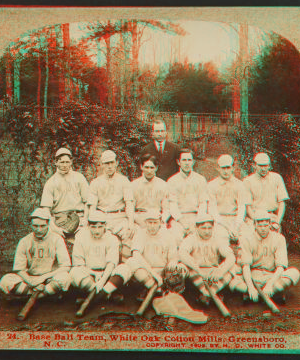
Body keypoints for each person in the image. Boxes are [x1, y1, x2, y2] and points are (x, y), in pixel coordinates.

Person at [92, 209, 184, 302]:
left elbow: (173, 258)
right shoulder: (140, 233)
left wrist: (167, 272)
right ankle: (156, 290)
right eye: (150, 222)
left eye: (155, 223)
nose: (152, 226)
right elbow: (136, 255)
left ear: (160, 222)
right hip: (147, 271)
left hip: (163, 272)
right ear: (145, 222)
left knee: (180, 268)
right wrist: (154, 274)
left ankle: (157, 290)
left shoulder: (168, 235)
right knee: (131, 261)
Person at [229, 210, 300, 303]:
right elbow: (245, 266)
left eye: (266, 225)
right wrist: (250, 287)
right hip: (252, 276)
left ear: (270, 224)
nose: (263, 229)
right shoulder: (246, 238)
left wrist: (270, 284)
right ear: (254, 225)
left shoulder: (279, 238)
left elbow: (281, 266)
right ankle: (256, 293)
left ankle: (265, 293)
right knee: (231, 277)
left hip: (272, 276)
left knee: (294, 273)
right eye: (260, 225)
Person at [0, 208, 71, 299]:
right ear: (31, 225)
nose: (39, 229)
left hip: (50, 278)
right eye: (35, 226)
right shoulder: (24, 241)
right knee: (5, 281)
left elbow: (66, 266)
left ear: (48, 224)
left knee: (65, 278)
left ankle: (34, 295)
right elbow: (19, 269)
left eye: (42, 226)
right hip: (30, 279)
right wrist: (31, 282)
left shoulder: (57, 239)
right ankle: (45, 294)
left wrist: (43, 278)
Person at [179, 213, 235, 306]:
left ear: (213, 227)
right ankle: (212, 294)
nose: (207, 231)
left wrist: (220, 271)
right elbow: (182, 253)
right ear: (197, 228)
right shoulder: (191, 238)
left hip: (213, 272)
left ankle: (207, 294)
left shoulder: (218, 238)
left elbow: (231, 257)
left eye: (209, 228)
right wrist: (198, 269)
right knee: (181, 267)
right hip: (197, 271)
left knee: (233, 268)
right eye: (203, 228)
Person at [88, 150, 134, 259]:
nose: (109, 166)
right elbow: (92, 207)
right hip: (103, 218)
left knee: (129, 238)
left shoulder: (124, 181)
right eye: (106, 163)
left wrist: (131, 223)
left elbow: (129, 204)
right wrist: (91, 222)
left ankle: (124, 267)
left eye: (112, 163)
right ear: (101, 164)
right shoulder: (95, 182)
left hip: (120, 218)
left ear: (116, 163)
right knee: (105, 242)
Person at [40, 147, 89, 241]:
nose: (65, 165)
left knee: (84, 240)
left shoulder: (79, 178)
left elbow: (88, 202)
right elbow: (46, 209)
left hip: (79, 218)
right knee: (53, 241)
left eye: (67, 162)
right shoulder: (51, 182)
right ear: (56, 162)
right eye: (62, 162)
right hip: (59, 221)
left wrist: (85, 220)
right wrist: (54, 227)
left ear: (71, 162)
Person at [70, 211, 119, 295]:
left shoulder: (112, 238)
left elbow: (111, 264)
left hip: (106, 274)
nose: (97, 231)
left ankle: (99, 293)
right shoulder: (81, 237)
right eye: (93, 227)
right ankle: (103, 293)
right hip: (89, 274)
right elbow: (78, 264)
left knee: (124, 269)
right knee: (74, 272)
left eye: (100, 227)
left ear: (105, 226)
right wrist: (94, 274)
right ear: (88, 226)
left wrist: (102, 280)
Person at [167, 148, 210, 240]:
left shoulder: (200, 179)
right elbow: (172, 206)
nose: (187, 163)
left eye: (189, 160)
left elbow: (203, 203)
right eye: (184, 160)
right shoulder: (172, 181)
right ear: (178, 162)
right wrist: (183, 222)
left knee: (199, 236)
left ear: (193, 162)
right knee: (176, 237)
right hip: (178, 219)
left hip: (197, 217)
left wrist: (197, 221)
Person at [208, 154, 250, 240]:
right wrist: (227, 226)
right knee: (219, 237)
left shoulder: (240, 185)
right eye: (223, 168)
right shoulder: (211, 185)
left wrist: (236, 225)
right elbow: (213, 210)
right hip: (219, 220)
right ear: (218, 168)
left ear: (233, 168)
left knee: (248, 236)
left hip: (236, 219)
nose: (226, 171)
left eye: (228, 168)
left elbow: (242, 208)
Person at [243, 152, 289, 230]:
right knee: (250, 233)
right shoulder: (247, 181)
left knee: (274, 235)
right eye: (260, 166)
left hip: (271, 217)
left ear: (269, 166)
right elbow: (248, 206)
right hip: (254, 217)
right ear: (254, 165)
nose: (263, 169)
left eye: (265, 165)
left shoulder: (277, 178)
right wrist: (256, 221)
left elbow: (281, 203)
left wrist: (277, 222)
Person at [131, 153, 170, 228]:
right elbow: (130, 208)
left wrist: (162, 220)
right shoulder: (134, 185)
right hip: (140, 218)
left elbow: (166, 208)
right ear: (141, 167)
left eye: (152, 168)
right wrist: (139, 221)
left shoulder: (163, 185)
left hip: (157, 218)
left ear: (156, 168)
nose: (149, 171)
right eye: (146, 167)